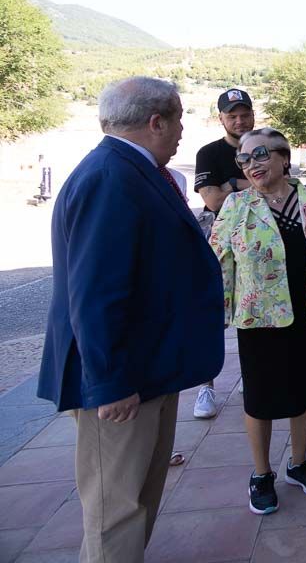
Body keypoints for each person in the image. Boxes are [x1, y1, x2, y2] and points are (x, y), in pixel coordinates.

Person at [37, 76, 224, 563]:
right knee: (114, 512)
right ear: (155, 121)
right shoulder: (110, 177)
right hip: (122, 381)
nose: (184, 131)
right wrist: (111, 383)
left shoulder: (132, 170)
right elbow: (95, 294)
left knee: (138, 501)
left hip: (148, 369)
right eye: (179, 119)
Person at [209, 127, 306, 515]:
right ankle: (261, 474)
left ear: (283, 157)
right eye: (243, 158)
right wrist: (214, 317)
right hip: (259, 319)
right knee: (260, 398)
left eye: (260, 155)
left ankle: (299, 463)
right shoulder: (237, 206)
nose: (251, 164)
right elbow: (218, 263)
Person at [190, 87, 255, 419]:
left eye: (245, 114)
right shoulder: (209, 153)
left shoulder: (268, 144)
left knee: (253, 313)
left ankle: (251, 376)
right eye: (233, 116)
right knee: (211, 317)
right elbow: (212, 201)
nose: (240, 121)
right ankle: (206, 387)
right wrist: (242, 183)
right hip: (221, 246)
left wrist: (229, 183)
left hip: (260, 247)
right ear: (222, 119)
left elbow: (280, 187)